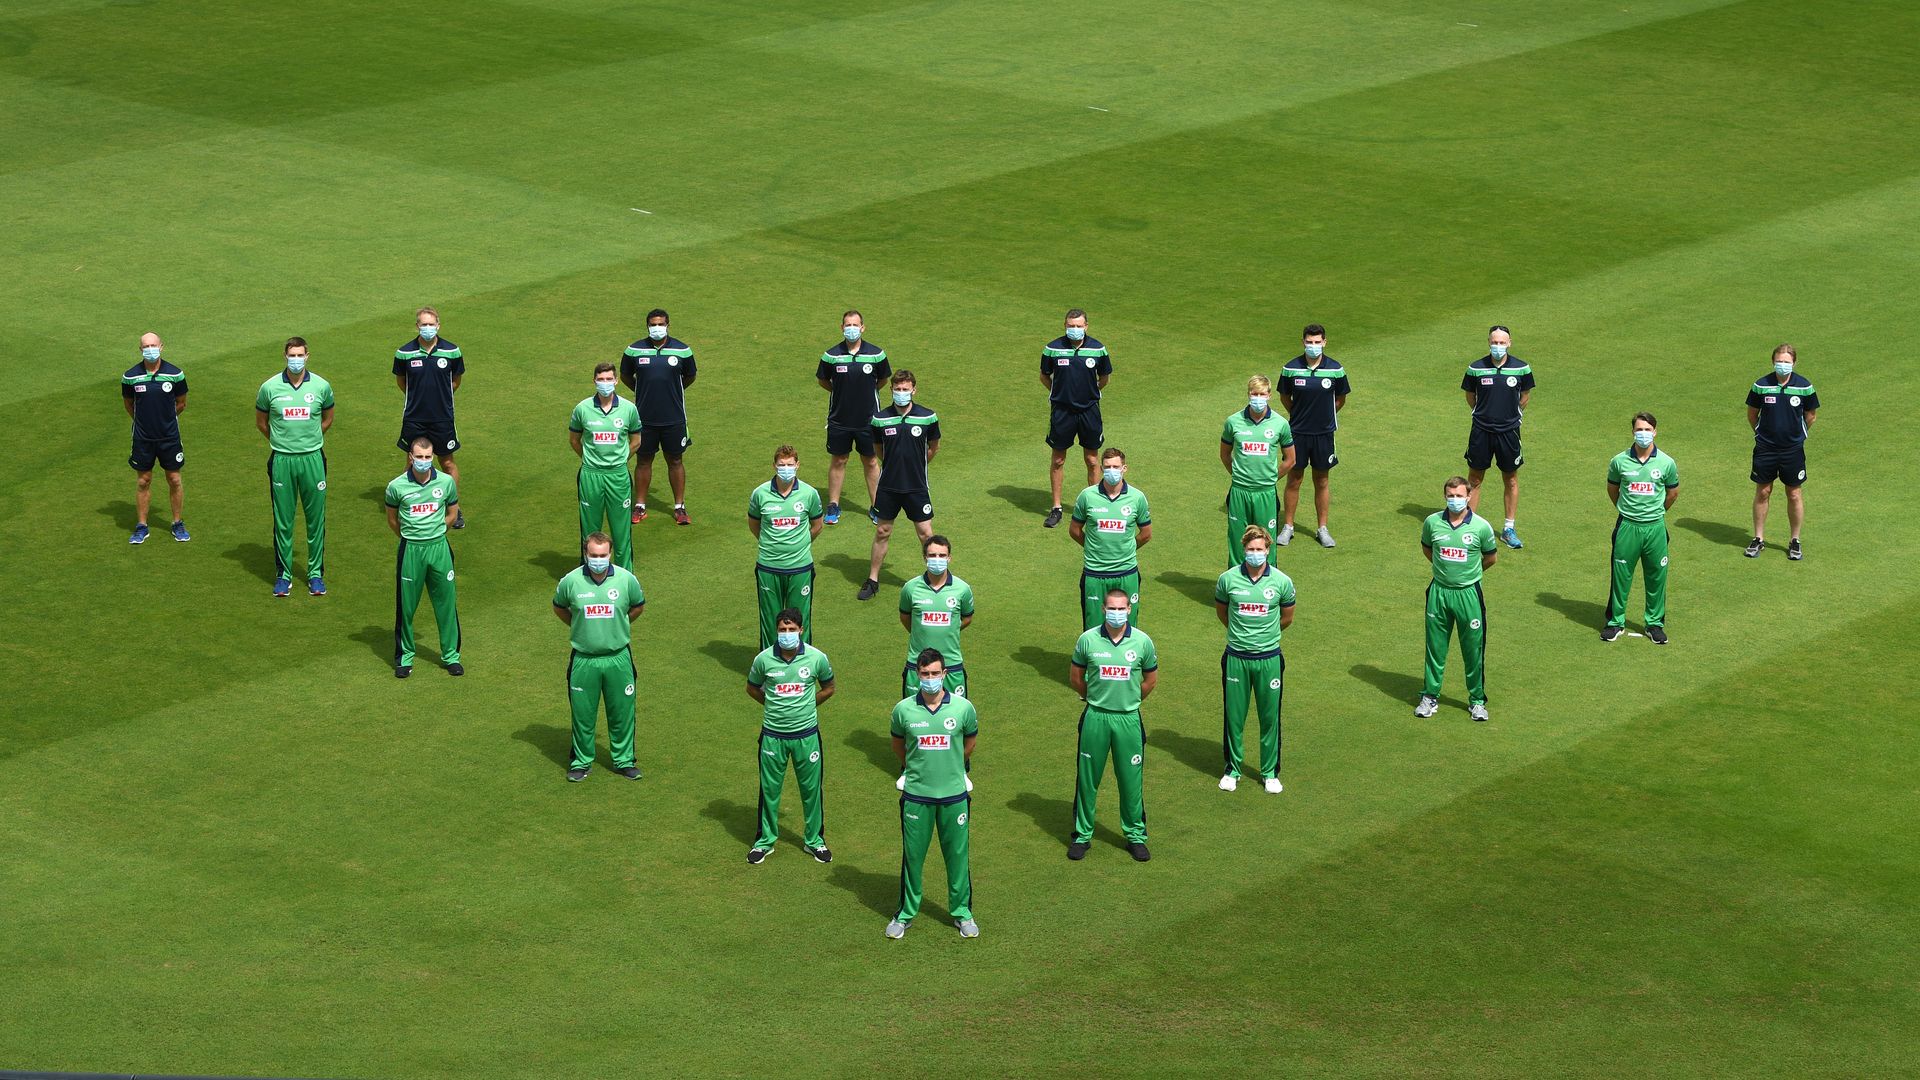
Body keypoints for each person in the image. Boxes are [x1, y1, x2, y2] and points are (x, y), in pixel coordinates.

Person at [886, 650, 978, 940]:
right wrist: (913, 770)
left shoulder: (963, 709)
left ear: (944, 674)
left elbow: (970, 741)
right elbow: (898, 745)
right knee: (912, 857)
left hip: (954, 796)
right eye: (924, 674)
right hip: (917, 796)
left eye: (935, 674)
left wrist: (954, 768)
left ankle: (962, 913)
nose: (930, 680)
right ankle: (904, 914)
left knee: (957, 857)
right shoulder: (903, 710)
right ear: (917, 674)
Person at [1066, 589, 1158, 863]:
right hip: (1096, 717)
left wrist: (1128, 700)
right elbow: (1075, 677)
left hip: (1128, 720)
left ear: (1129, 609)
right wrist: (1095, 698)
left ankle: (1135, 836)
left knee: (1131, 780)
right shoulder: (1088, 640)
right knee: (1087, 779)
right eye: (1111, 608)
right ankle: (1082, 835)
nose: (1116, 613)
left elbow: (1150, 681)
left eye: (1121, 608)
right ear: (1103, 609)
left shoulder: (1142, 642)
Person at [550, 533, 645, 781]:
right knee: (583, 714)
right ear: (586, 554)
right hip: (584, 659)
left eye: (603, 555)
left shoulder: (626, 580)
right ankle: (581, 762)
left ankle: (624, 760)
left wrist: (619, 624)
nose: (598, 560)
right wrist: (578, 626)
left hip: (619, 658)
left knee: (622, 713)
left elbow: (638, 606)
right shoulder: (571, 581)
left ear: (610, 554)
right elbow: (559, 606)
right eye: (594, 555)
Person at [744, 609, 835, 864]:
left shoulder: (817, 658)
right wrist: (772, 704)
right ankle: (764, 842)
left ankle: (815, 841)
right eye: (782, 630)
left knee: (811, 790)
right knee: (769, 790)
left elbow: (829, 687)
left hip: (807, 736)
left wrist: (808, 706)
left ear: (801, 630)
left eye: (791, 629)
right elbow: (751, 687)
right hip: (773, 737)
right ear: (776, 631)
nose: (787, 634)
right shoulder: (763, 660)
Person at [1214, 525, 1295, 793]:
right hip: (1236, 657)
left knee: (1269, 717)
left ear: (1268, 551)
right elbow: (1223, 613)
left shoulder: (1282, 582)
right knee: (1234, 718)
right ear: (1243, 550)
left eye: (1260, 549)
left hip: (1269, 659)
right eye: (1251, 549)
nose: (1255, 554)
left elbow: (1286, 618)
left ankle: (1270, 772)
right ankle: (1232, 770)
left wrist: (1264, 638)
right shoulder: (1228, 579)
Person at [255, 337, 334, 596]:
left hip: (313, 459)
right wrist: (282, 442)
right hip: (282, 460)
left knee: (315, 520)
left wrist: (310, 440)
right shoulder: (269, 387)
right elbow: (262, 422)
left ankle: (315, 575)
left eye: (300, 355)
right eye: (292, 355)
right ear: (285, 356)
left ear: (307, 355)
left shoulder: (322, 386)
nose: (296, 359)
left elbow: (327, 418)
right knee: (283, 520)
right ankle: (284, 575)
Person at [1416, 477, 1497, 720]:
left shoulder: (1481, 527)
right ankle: (1429, 697)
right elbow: (1427, 549)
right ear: (1444, 497)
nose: (1455, 500)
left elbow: (1491, 558)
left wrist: (1468, 575)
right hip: (1439, 592)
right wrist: (1445, 572)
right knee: (1435, 647)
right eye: (1450, 496)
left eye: (1459, 495)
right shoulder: (1432, 523)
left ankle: (1477, 701)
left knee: (1473, 649)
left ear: (1469, 496)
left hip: (1469, 594)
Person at [385, 438, 463, 678]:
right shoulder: (396, 487)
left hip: (439, 548)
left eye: (428, 457)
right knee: (406, 607)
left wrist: (436, 533)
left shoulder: (446, 482)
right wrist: (413, 537)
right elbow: (392, 520)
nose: (424, 461)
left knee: (446, 604)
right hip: (411, 551)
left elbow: (452, 512)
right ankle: (405, 657)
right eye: (419, 457)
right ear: (410, 457)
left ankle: (451, 656)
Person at [859, 370, 940, 601]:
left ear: (914, 390)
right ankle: (873, 580)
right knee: (882, 531)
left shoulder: (928, 417)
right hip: (889, 487)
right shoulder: (880, 419)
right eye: (897, 389)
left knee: (926, 534)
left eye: (906, 389)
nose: (901, 393)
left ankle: (936, 578)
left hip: (917, 487)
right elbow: (878, 450)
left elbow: (934, 447)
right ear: (891, 390)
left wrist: (917, 465)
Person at [1604, 412, 1680, 644]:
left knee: (1657, 576)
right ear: (1633, 432)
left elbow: (1672, 493)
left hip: (1655, 527)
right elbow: (1612, 489)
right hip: (1627, 526)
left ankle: (1654, 624)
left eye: (1648, 430)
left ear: (1655, 432)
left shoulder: (1666, 463)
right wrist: (1626, 509)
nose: (1643, 434)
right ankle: (1615, 622)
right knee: (1620, 577)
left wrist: (1657, 512)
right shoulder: (1619, 461)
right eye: (1640, 430)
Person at [619, 308, 697, 525]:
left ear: (668, 325)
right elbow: (625, 375)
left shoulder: (683, 350)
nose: (657, 328)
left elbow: (690, 376)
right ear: (647, 326)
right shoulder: (634, 350)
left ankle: (679, 507)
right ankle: (640, 506)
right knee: (644, 460)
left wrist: (672, 391)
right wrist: (641, 390)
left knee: (675, 460)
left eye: (660, 324)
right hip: (644, 418)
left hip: (674, 418)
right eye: (653, 324)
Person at [393, 307, 465, 529]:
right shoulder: (404, 352)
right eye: (423, 324)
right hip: (414, 418)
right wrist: (419, 398)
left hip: (442, 418)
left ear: (438, 325)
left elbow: (456, 381)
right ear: (417, 326)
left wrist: (439, 398)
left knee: (447, 462)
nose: (427, 328)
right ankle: (409, 503)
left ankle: (452, 507)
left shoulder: (452, 351)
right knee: (411, 461)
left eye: (430, 324)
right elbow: (401, 382)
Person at [815, 310, 890, 525]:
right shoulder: (831, 355)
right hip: (839, 419)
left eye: (855, 324)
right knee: (839, 460)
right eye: (847, 324)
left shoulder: (877, 354)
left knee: (871, 461)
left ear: (863, 327)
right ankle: (833, 505)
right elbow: (823, 381)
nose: (851, 328)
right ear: (841, 328)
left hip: (869, 420)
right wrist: (841, 393)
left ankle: (877, 506)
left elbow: (883, 380)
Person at [1278, 323, 1349, 548]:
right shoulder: (1290, 368)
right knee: (1294, 479)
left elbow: (1340, 399)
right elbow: (1284, 397)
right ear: (1303, 342)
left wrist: (1324, 418)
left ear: (1324, 343)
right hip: (1297, 433)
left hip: (1324, 435)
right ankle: (1288, 527)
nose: (1313, 346)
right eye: (1309, 342)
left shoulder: (1336, 369)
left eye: (1317, 342)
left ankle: (1322, 528)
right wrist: (1298, 417)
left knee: (1322, 480)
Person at [1745, 344, 1819, 560]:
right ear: (1773, 362)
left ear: (1794, 363)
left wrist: (1798, 436)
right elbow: (1752, 414)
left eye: (1787, 362)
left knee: (1794, 494)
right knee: (1763, 492)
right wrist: (1761, 433)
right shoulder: (1761, 385)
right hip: (1766, 448)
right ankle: (1758, 538)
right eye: (1779, 361)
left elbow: (1811, 415)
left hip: (1792, 450)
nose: (1783, 365)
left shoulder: (1805, 387)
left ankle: (1795, 540)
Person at [1462, 325, 1533, 549]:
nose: (1498, 346)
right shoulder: (1475, 368)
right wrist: (1480, 414)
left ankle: (1509, 529)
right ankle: (1469, 527)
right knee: (1474, 479)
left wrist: (1515, 417)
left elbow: (1525, 396)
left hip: (1509, 432)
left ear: (1510, 343)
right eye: (1495, 342)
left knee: (1510, 479)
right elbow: (1470, 395)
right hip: (1481, 431)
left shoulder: (1521, 368)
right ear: (1489, 343)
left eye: (1502, 343)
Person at [1041, 308, 1112, 528]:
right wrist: (1059, 393)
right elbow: (1044, 376)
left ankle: (1094, 507)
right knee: (1058, 460)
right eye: (1070, 326)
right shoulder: (1052, 349)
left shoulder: (1098, 349)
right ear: (1065, 326)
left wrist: (1090, 393)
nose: (1075, 330)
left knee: (1092, 460)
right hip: (1062, 412)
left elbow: (1104, 378)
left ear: (1086, 326)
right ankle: (1056, 508)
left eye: (1079, 326)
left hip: (1089, 411)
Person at [748, 446, 825, 648]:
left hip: (800, 568)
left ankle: (803, 664)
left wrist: (800, 544)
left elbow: (817, 526)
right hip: (768, 567)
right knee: (770, 620)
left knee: (800, 620)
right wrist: (770, 544)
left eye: (790, 465)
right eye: (782, 465)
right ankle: (769, 667)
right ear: (774, 466)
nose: (786, 469)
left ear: (797, 465)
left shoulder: (809, 494)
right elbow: (754, 524)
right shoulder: (760, 494)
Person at [569, 363, 641, 569]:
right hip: (591, 476)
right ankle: (588, 574)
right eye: (601, 379)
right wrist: (590, 460)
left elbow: (636, 441)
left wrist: (619, 460)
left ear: (616, 381)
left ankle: (626, 578)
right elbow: (574, 440)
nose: (605, 384)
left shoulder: (629, 409)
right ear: (594, 381)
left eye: (609, 379)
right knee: (589, 532)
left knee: (621, 532)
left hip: (618, 476)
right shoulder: (582, 408)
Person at [1070, 447, 1151, 630]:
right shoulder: (1087, 496)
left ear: (1124, 468)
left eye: (1116, 466)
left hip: (1126, 573)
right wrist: (1093, 548)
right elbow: (1075, 530)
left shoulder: (1137, 498)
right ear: (1101, 468)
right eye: (1107, 467)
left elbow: (1146, 534)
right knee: (1093, 630)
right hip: (1094, 574)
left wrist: (1127, 548)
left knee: (1128, 628)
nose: (1111, 471)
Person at [122, 332, 190, 544]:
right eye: (145, 346)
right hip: (143, 439)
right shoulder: (130, 376)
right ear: (140, 350)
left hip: (169, 437)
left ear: (161, 347)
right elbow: (129, 405)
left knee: (174, 479)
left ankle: (177, 523)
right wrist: (144, 422)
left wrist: (165, 420)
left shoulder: (175, 374)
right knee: (143, 480)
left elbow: (181, 403)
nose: (150, 349)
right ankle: (142, 526)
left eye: (153, 345)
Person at [1220, 376, 1294, 567]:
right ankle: (1235, 587)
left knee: (1266, 539)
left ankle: (1268, 586)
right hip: (1239, 491)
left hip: (1265, 493)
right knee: (1238, 540)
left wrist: (1270, 479)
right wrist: (1239, 475)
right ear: (1248, 394)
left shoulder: (1280, 424)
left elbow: (1290, 459)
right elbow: (1225, 455)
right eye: (1254, 394)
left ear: (1269, 395)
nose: (1258, 398)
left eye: (1262, 394)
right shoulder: (1233, 422)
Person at [899, 535, 974, 698]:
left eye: (941, 555)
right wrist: (920, 631)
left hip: (952, 665)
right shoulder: (910, 588)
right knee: (914, 717)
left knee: (956, 716)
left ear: (949, 558)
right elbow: (905, 618)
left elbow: (967, 618)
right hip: (917, 666)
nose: (937, 559)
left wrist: (951, 629)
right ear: (925, 557)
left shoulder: (962, 589)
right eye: (932, 555)